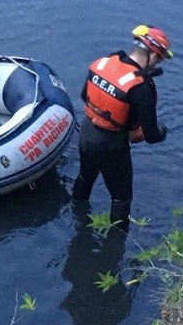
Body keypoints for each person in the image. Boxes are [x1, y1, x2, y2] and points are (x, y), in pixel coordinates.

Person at [71, 25, 172, 229]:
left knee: (84, 177)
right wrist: (163, 130)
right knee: (121, 198)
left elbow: (85, 96)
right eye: (159, 59)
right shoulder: (141, 87)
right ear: (152, 55)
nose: (158, 63)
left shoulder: (103, 63)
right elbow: (151, 135)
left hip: (86, 133)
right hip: (112, 146)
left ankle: (75, 219)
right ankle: (116, 247)